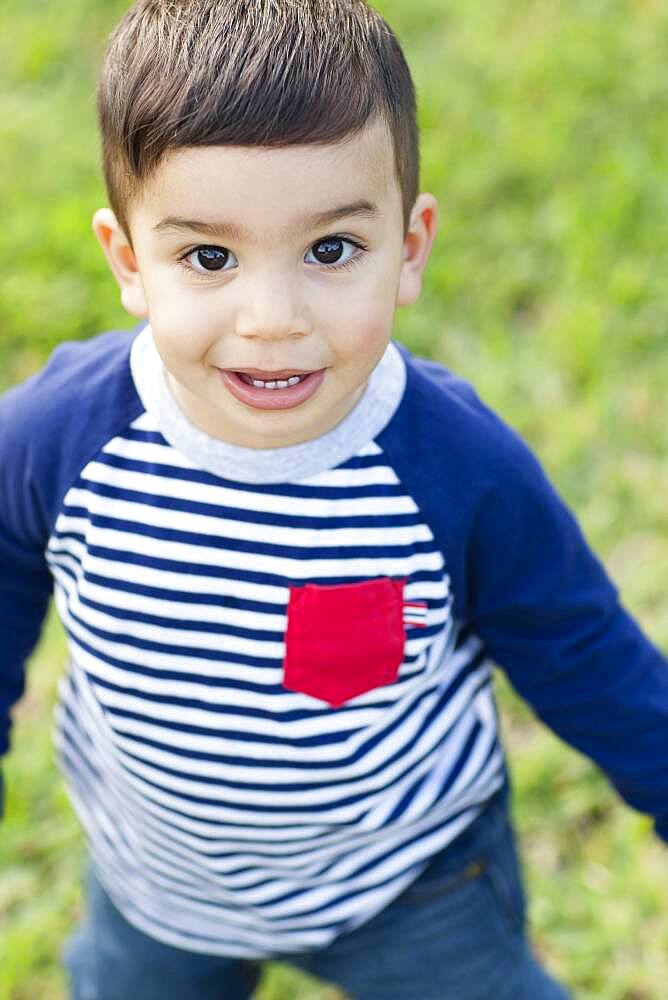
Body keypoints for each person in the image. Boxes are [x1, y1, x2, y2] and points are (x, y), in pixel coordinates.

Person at [1, 1, 666, 997]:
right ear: (129, 259)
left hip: (409, 886)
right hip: (154, 884)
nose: (271, 321)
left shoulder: (454, 465)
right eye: (209, 257)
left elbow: (577, 648)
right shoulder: (59, 437)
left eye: (328, 251)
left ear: (407, 245)